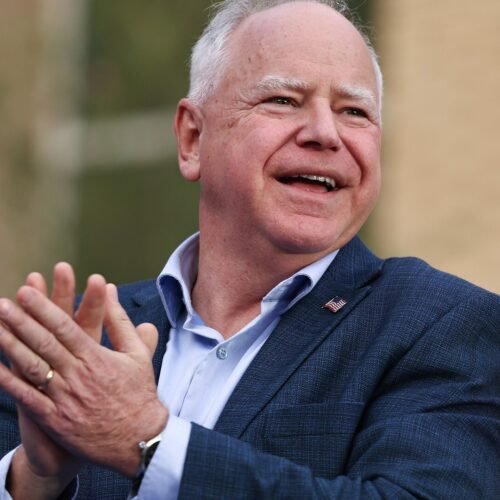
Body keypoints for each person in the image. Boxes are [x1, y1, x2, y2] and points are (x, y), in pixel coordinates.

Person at [0, 0, 499, 498]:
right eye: (284, 100)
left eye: (354, 111)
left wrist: (150, 442)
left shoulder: (443, 328)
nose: (325, 134)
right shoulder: (70, 347)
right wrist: (33, 480)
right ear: (193, 138)